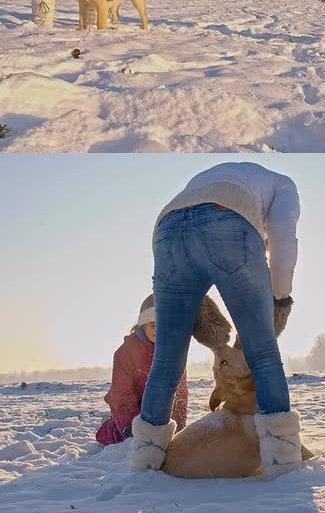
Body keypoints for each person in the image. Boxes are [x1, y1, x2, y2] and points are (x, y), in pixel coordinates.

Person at [129, 162, 302, 478]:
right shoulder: (284, 184)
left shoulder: (215, 175)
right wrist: (279, 299)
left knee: (167, 361)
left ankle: (145, 462)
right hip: (229, 220)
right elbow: (283, 241)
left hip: (166, 231)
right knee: (262, 352)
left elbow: (191, 225)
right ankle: (284, 461)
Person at [95, 295, 188, 445]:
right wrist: (131, 429)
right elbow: (122, 396)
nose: (159, 330)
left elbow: (180, 393)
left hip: (161, 410)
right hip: (132, 411)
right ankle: (111, 425)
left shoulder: (175, 353)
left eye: (163, 324)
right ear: (143, 325)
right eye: (153, 325)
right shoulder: (125, 353)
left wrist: (178, 425)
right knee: (124, 438)